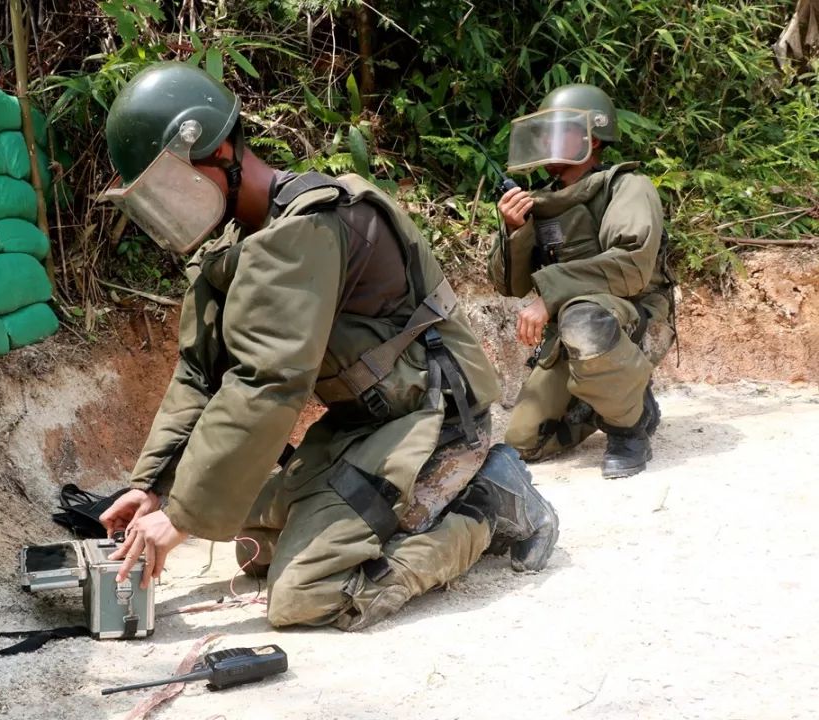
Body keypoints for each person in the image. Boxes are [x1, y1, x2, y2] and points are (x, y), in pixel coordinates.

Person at [97, 62, 559, 631]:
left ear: (214, 154)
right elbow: (202, 372)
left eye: (165, 186)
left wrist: (183, 518)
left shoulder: (305, 229)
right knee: (251, 538)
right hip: (361, 428)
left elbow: (269, 380)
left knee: (305, 593)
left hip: (429, 421)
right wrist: (152, 488)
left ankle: (487, 506)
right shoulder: (247, 237)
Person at [488, 84, 676, 478]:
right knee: (524, 443)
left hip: (634, 321)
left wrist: (551, 295)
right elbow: (511, 286)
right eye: (545, 131)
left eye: (560, 130)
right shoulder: (540, 200)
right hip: (574, 334)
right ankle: (619, 398)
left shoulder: (627, 187)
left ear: (591, 139)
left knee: (582, 317)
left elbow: (630, 267)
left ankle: (629, 429)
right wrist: (514, 231)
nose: (547, 140)